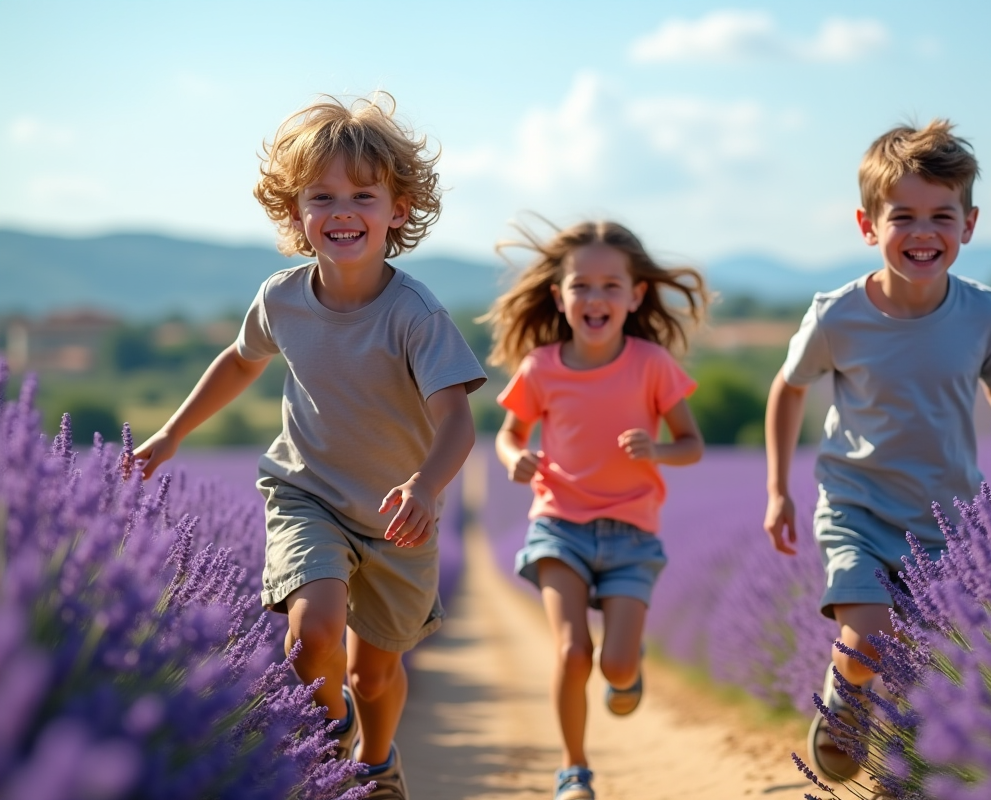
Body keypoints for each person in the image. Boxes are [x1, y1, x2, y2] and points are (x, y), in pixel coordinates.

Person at [134, 93, 486, 799]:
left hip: (398, 515)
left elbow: (456, 419)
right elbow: (240, 361)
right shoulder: (282, 298)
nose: (341, 211)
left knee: (373, 673)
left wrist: (424, 486)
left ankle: (377, 763)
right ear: (295, 213)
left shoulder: (416, 315)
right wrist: (171, 433)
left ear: (399, 210)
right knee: (310, 637)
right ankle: (331, 734)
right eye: (321, 196)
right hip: (308, 494)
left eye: (362, 195)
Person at [762, 120, 991, 783]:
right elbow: (788, 389)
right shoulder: (837, 314)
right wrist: (777, 489)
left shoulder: (984, 313)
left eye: (941, 216)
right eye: (903, 217)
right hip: (857, 509)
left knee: (933, 663)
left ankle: (909, 771)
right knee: (867, 640)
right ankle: (847, 696)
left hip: (948, 517)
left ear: (968, 224)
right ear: (868, 226)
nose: (924, 232)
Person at [483, 220, 709, 800]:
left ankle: (627, 674)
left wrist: (657, 450)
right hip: (559, 526)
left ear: (635, 296)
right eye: (581, 285)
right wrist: (513, 458)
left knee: (616, 665)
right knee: (571, 651)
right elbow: (509, 434)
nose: (595, 297)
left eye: (611, 285)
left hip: (632, 531)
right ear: (559, 297)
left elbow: (691, 444)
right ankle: (573, 770)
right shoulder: (541, 367)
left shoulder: (651, 364)